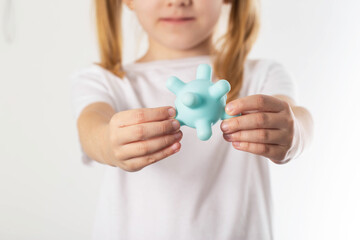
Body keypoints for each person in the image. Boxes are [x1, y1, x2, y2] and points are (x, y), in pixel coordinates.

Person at [70, 0, 314, 239]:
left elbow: (297, 117)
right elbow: (92, 128)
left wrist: (296, 134)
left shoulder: (263, 75)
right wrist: (109, 143)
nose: (178, 2)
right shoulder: (104, 81)